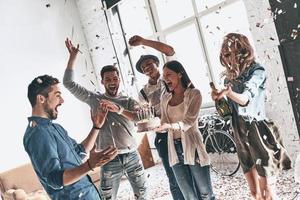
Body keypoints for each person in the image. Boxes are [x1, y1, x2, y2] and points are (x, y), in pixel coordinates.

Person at [63, 38, 147, 200]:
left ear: (119, 80)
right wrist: (73, 57)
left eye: (115, 79)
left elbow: (139, 118)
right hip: (108, 158)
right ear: (102, 82)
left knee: (142, 194)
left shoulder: (128, 101)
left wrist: (120, 109)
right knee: (107, 197)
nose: (112, 82)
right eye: (108, 79)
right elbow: (68, 83)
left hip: (131, 155)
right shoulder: (94, 99)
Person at [211, 33, 291, 200]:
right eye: (225, 55)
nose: (228, 59)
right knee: (255, 193)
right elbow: (226, 114)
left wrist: (230, 92)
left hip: (258, 132)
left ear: (243, 51)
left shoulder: (257, 71)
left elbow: (246, 99)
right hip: (239, 133)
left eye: (231, 53)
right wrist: (219, 101)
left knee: (267, 192)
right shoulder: (228, 78)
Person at [23, 75, 118, 200]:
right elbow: (55, 180)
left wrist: (96, 127)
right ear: (41, 99)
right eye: (57, 95)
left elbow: (79, 152)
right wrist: (90, 165)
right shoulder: (38, 134)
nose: (62, 100)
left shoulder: (55, 128)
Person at [128, 35, 185, 200]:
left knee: (190, 169)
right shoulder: (143, 92)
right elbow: (145, 115)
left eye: (149, 64)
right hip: (162, 135)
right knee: (173, 176)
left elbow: (170, 51)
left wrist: (143, 42)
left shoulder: (171, 76)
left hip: (180, 130)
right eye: (143, 67)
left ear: (157, 64)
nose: (147, 68)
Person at [154, 60, 215, 200]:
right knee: (188, 196)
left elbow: (188, 122)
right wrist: (155, 126)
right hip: (174, 149)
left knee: (206, 194)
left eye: (169, 74)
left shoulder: (194, 94)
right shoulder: (165, 98)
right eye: (164, 75)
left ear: (180, 74)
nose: (165, 78)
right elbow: (164, 122)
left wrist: (168, 126)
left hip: (193, 147)